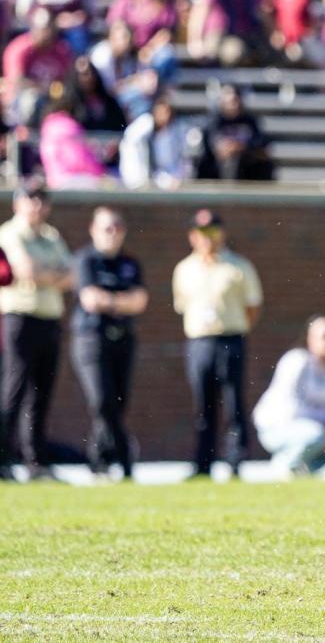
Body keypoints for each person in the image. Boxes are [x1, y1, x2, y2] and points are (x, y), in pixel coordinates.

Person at [172, 209, 264, 479]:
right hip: (199, 341)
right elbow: (182, 305)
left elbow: (253, 306)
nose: (207, 239)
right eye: (202, 233)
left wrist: (237, 327)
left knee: (234, 402)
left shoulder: (238, 266)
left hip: (230, 338)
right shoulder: (184, 269)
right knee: (203, 405)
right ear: (192, 236)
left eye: (212, 232)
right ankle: (203, 463)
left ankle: (235, 460)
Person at [0, 183, 72, 481]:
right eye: (31, 198)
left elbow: (72, 276)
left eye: (43, 199)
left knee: (41, 394)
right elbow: (25, 271)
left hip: (49, 320)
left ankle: (35, 462)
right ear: (18, 203)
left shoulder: (51, 236)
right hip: (20, 318)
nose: (38, 205)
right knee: (14, 390)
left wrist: (47, 274)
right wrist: (52, 273)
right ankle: (3, 459)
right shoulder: (10, 233)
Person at [70, 207, 147, 482]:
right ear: (93, 230)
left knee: (117, 402)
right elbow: (90, 299)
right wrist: (121, 302)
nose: (112, 233)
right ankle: (125, 458)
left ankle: (99, 460)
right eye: (106, 227)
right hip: (91, 339)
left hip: (123, 339)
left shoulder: (130, 263)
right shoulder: (85, 260)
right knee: (102, 401)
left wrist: (110, 302)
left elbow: (140, 301)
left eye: (117, 227)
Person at [254, 315, 325, 478]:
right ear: (310, 338)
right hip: (277, 427)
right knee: (314, 435)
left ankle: (308, 468)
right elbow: (290, 408)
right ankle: (284, 464)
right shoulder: (297, 361)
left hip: (320, 428)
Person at [2, 10, 72, 127]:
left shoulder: (62, 51)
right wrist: (44, 88)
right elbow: (17, 81)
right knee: (32, 99)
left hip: (51, 99)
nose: (47, 33)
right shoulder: (19, 49)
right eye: (44, 29)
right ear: (34, 29)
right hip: (19, 102)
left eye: (50, 28)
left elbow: (68, 79)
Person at [199, 84, 275, 181]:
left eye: (235, 100)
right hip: (220, 169)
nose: (234, 104)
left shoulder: (250, 121)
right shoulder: (215, 122)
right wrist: (240, 148)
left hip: (248, 165)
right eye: (230, 101)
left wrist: (238, 148)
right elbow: (220, 150)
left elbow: (262, 148)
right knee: (233, 161)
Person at [119, 95, 195, 189]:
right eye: (159, 112)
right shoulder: (146, 130)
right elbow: (129, 141)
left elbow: (183, 162)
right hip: (148, 181)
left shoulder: (176, 132)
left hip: (172, 181)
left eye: (165, 112)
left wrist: (177, 178)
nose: (162, 115)